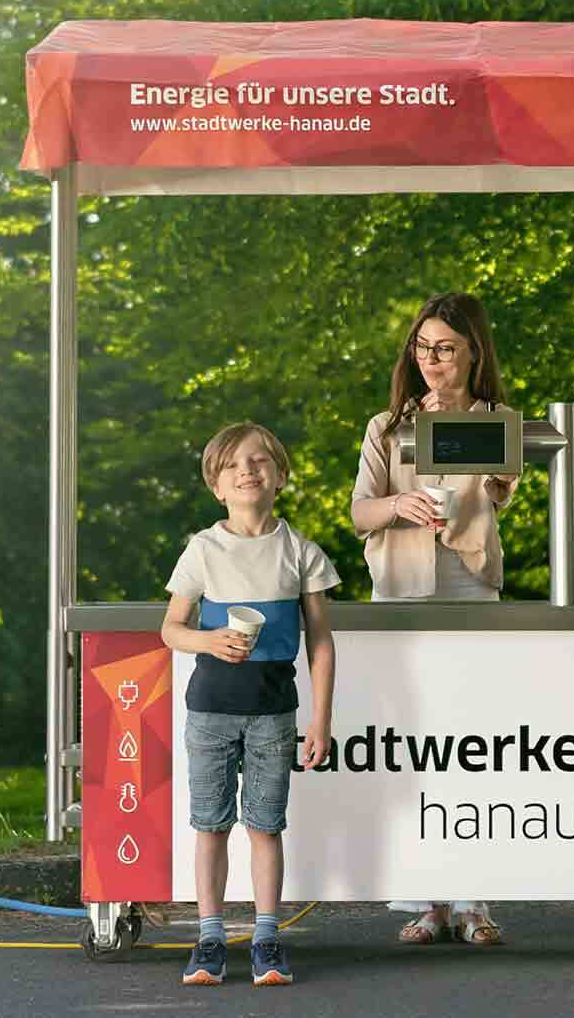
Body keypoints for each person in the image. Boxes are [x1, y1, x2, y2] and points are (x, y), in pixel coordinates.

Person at [349, 291, 518, 947]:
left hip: (469, 590)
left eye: (445, 347)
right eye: (422, 347)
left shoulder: (498, 418)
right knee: (408, 749)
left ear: (474, 351)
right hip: (398, 594)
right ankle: (426, 901)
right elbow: (360, 511)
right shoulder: (386, 425)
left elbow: (503, 484)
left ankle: (473, 902)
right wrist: (400, 503)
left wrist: (460, 433)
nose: (431, 359)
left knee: (472, 745)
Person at [161, 421, 338, 986]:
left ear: (280, 476)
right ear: (216, 485)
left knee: (265, 825)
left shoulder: (301, 553)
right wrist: (208, 640)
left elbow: (321, 641)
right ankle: (209, 938)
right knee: (210, 826)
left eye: (260, 461)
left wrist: (321, 719)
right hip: (210, 707)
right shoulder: (202, 550)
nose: (248, 470)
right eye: (234, 464)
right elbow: (171, 628)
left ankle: (266, 938)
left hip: (273, 712)